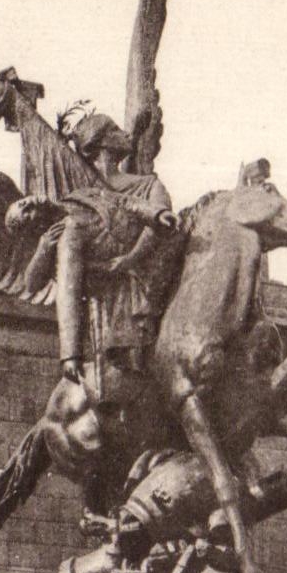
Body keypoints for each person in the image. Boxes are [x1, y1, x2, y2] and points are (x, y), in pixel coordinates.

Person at [22, 112, 179, 391]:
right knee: (70, 233)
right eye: (116, 130)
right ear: (102, 145)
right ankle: (71, 352)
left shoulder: (149, 185)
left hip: (146, 276)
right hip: (102, 293)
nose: (125, 134)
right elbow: (41, 280)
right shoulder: (82, 199)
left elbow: (157, 223)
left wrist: (130, 259)